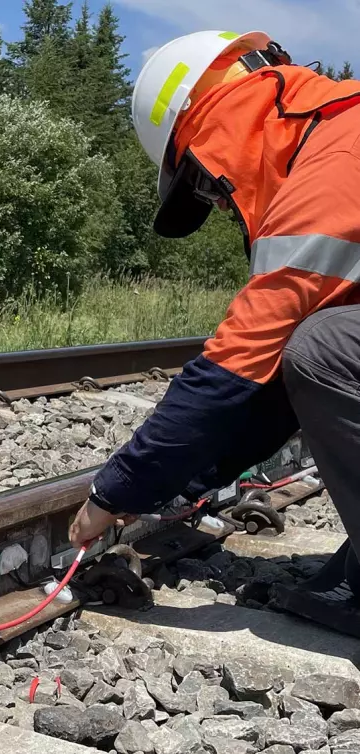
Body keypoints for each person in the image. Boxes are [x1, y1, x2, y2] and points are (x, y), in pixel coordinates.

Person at [69, 30, 360, 594]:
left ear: (216, 130)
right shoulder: (340, 134)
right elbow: (278, 390)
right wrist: (177, 484)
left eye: (204, 185)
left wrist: (116, 492)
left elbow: (237, 365)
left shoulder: (335, 168)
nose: (222, 203)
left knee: (324, 346)